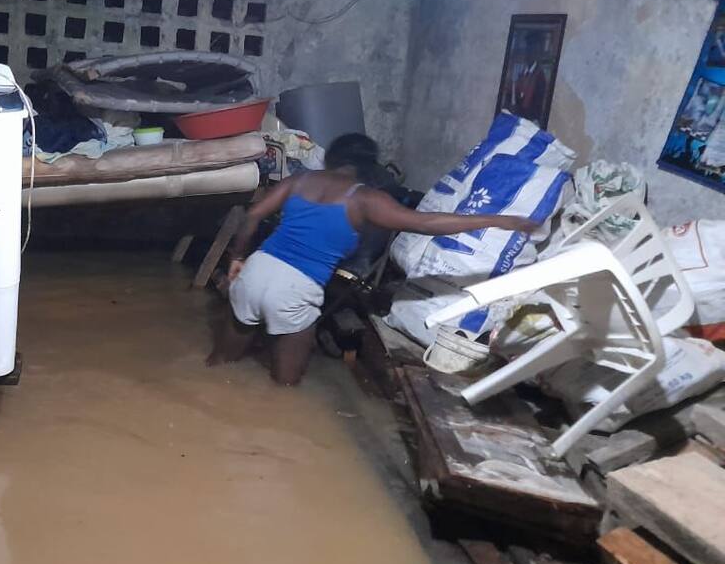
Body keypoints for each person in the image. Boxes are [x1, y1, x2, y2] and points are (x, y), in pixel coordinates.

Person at [205, 134, 538, 386]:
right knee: (285, 387)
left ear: (330, 158)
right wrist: (497, 220)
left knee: (219, 365)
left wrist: (237, 258)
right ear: (369, 167)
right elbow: (426, 223)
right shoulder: (365, 198)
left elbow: (253, 215)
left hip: (257, 269)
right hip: (296, 287)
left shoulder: (298, 181)